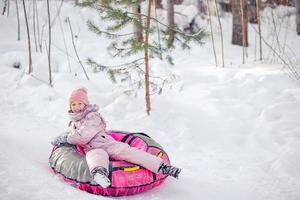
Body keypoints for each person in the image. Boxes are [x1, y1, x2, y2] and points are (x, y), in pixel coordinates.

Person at [52, 87, 181, 188]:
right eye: (73, 104)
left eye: (79, 103)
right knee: (95, 156)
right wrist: (64, 138)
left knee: (127, 152)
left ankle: (162, 167)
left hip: (104, 143)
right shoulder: (74, 122)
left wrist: (66, 139)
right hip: (91, 149)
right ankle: (99, 174)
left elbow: (83, 136)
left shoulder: (92, 116)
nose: (76, 107)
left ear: (85, 104)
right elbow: (76, 136)